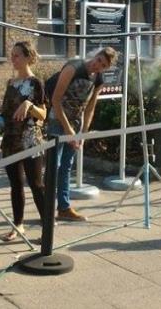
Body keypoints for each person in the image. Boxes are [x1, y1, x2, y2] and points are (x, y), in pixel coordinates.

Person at [46, 47, 117, 221]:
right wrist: (68, 129)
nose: (97, 65)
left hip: (75, 125)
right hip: (58, 120)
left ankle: (64, 208)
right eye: (99, 59)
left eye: (103, 65)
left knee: (66, 167)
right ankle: (46, 211)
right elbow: (56, 99)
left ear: (106, 68)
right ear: (96, 55)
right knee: (53, 165)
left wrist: (83, 132)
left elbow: (90, 107)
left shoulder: (98, 80)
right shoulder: (73, 68)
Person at [0, 41, 47, 241]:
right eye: (12, 55)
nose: (12, 59)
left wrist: (29, 105)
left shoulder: (35, 83)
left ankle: (46, 227)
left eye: (16, 55)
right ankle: (19, 225)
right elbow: (6, 112)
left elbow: (43, 115)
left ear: (28, 57)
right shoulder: (11, 83)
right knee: (16, 185)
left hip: (30, 140)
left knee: (37, 185)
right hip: (11, 140)